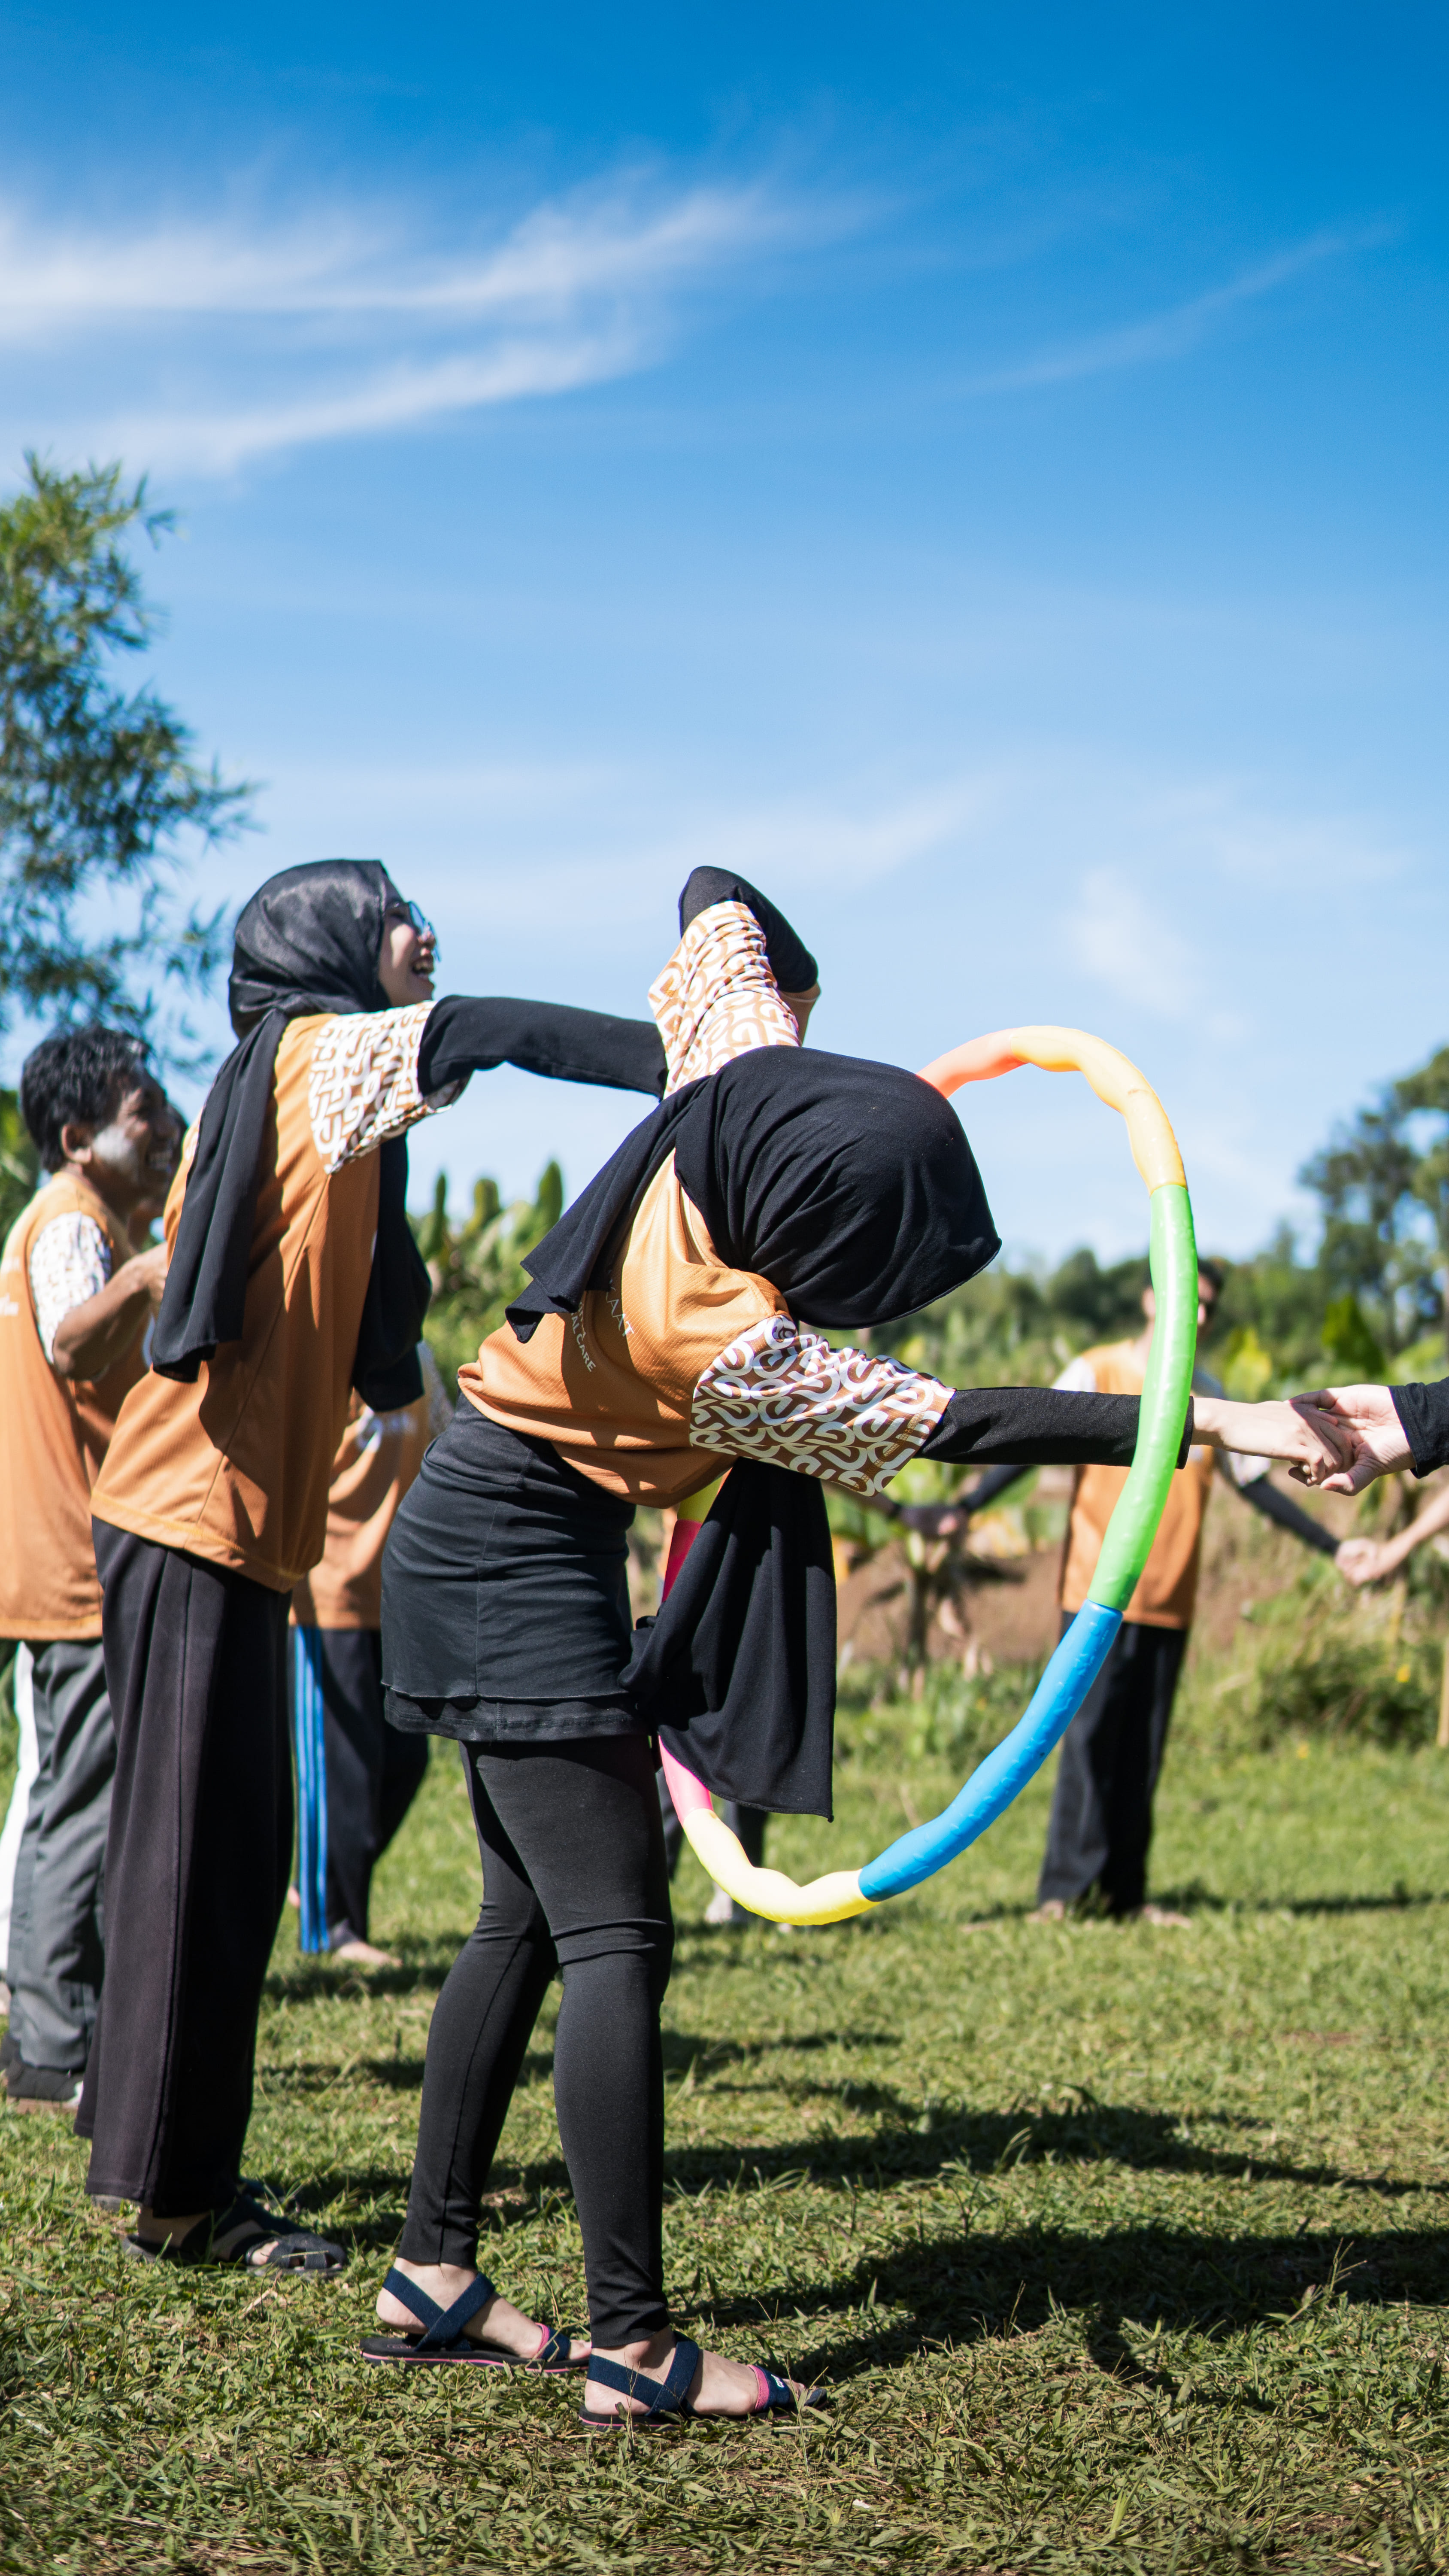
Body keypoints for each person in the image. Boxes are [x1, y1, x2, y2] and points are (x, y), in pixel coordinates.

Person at [368, 869, 1340, 2425]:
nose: (849, 1296)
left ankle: (433, 2270)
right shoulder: (720, 1337)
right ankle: (630, 2342)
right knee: (616, 1930)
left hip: (491, 1523)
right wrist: (1214, 1416)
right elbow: (957, 1426)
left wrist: (787, 1018)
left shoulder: (724, 1079)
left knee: (523, 1920)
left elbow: (713, 902)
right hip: (508, 1555)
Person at [80, 860, 667, 2274]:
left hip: (227, 1527)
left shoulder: (326, 1099)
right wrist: (680, 1065)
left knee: (228, 1860)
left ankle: (178, 2173)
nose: (425, 932)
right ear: (330, 942)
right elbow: (488, 1033)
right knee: (193, 1863)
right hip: (186, 1512)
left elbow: (385, 1322)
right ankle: (172, 2199)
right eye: (395, 910)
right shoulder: (315, 1054)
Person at [880, 1266, 1369, 1925]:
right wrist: (966, 1507)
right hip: (1093, 1594)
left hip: (1171, 1596)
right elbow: (1033, 1441)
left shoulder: (1210, 1396)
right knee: (1086, 1741)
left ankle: (1126, 1895)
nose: (1198, 1318)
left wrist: (1335, 1548)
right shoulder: (1098, 1371)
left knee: (1143, 1747)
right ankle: (1062, 1895)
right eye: (1189, 1301)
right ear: (1152, 1298)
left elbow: (1254, 1488)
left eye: (1209, 1308)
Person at [0, 1029, 180, 2108]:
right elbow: (73, 1341)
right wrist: (158, 1269)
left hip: (87, 1560)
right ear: (79, 1140)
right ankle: (51, 2045)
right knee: (77, 1803)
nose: (162, 1126)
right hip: (75, 1566)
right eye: (143, 1109)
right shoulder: (74, 1223)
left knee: (91, 1797)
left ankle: (69, 2025)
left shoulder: (88, 1220)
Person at [289, 1344, 453, 1965]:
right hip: (326, 1592)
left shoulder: (416, 1354)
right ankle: (333, 1926)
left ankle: (319, 1883)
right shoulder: (322, 1346)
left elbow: (444, 1434)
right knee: (344, 1770)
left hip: (398, 1594)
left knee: (405, 1760)